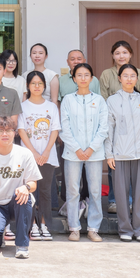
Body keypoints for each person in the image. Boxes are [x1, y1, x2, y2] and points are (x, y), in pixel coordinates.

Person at [105, 63, 140, 243]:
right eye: (125, 76)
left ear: (137, 78)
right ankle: (125, 229)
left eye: (132, 76)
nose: (129, 79)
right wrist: (109, 154)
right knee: (121, 195)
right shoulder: (112, 101)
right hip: (120, 154)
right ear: (119, 78)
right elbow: (108, 130)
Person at [0, 116, 41, 259]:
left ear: (14, 133)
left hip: (17, 201)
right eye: (0, 130)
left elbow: (33, 183)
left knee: (23, 195)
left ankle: (22, 245)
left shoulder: (25, 154)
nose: (4, 134)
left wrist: (26, 187)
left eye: (9, 130)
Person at [99, 40, 140, 214]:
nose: (121, 56)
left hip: (136, 126)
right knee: (114, 166)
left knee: (133, 169)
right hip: (115, 124)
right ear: (113, 56)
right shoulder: (107, 74)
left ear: (130, 54)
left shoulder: (139, 73)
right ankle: (114, 200)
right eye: (117, 53)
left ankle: (132, 202)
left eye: (124, 52)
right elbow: (103, 99)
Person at [60, 63, 108, 242]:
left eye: (86, 74)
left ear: (92, 78)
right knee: (73, 190)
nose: (82, 78)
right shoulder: (67, 100)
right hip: (73, 153)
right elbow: (64, 127)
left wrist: (90, 148)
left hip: (94, 152)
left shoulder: (99, 100)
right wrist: (77, 149)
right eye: (79, 75)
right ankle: (74, 228)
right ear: (74, 78)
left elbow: (104, 127)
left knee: (95, 191)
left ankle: (93, 228)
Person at [55, 49, 99, 215]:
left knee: (89, 173)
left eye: (79, 58)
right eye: (72, 59)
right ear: (68, 62)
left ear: (84, 59)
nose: (75, 61)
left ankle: (87, 200)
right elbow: (58, 104)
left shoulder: (94, 80)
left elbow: (98, 104)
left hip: (90, 134)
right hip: (69, 133)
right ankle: (70, 204)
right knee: (69, 171)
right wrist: (60, 131)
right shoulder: (61, 81)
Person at [17, 71, 59, 241]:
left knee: (45, 191)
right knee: (30, 191)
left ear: (44, 86)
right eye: (33, 83)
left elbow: (55, 130)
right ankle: (32, 225)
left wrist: (46, 152)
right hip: (28, 156)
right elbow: (21, 131)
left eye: (40, 83)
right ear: (28, 86)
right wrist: (33, 153)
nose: (36, 86)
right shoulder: (23, 106)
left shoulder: (51, 107)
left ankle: (44, 224)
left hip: (48, 155)